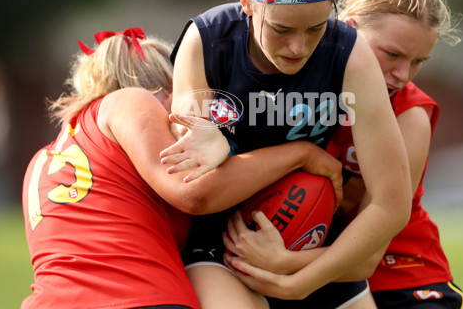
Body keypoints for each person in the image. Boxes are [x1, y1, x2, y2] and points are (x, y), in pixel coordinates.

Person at [163, 0, 411, 309]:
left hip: (311, 238)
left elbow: (391, 204)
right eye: (281, 29)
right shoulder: (209, 40)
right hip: (220, 244)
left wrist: (301, 280)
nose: (299, 47)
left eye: (315, 29)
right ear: (247, 1)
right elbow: (195, 180)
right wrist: (208, 136)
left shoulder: (348, 52)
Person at [21, 28, 343, 309]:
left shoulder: (40, 162)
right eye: (180, 98)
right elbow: (193, 194)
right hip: (140, 299)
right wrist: (300, 154)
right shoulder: (129, 101)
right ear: (163, 93)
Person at [224, 0, 463, 308]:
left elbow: (367, 259)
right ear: (348, 30)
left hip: (400, 276)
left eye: (418, 61)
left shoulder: (411, 115)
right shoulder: (294, 84)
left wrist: (283, 263)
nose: (402, 74)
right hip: (294, 259)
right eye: (392, 54)